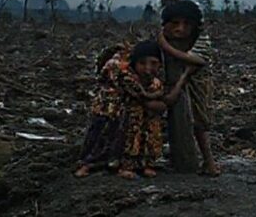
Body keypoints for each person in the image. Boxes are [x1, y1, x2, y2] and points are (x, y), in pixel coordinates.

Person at [75, 40, 191, 179]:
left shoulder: (155, 83)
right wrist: (156, 99)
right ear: (134, 63)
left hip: (142, 120)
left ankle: (142, 165)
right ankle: (88, 165)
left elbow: (159, 103)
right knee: (101, 140)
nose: (148, 69)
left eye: (153, 63)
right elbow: (142, 96)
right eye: (142, 63)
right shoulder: (124, 76)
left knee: (144, 141)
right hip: (111, 114)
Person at [157, 0, 220, 176]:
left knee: (200, 123)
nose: (181, 29)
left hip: (199, 85)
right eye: (175, 23)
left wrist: (165, 45)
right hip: (173, 85)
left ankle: (209, 162)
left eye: (187, 24)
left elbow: (197, 62)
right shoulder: (170, 39)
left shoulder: (201, 39)